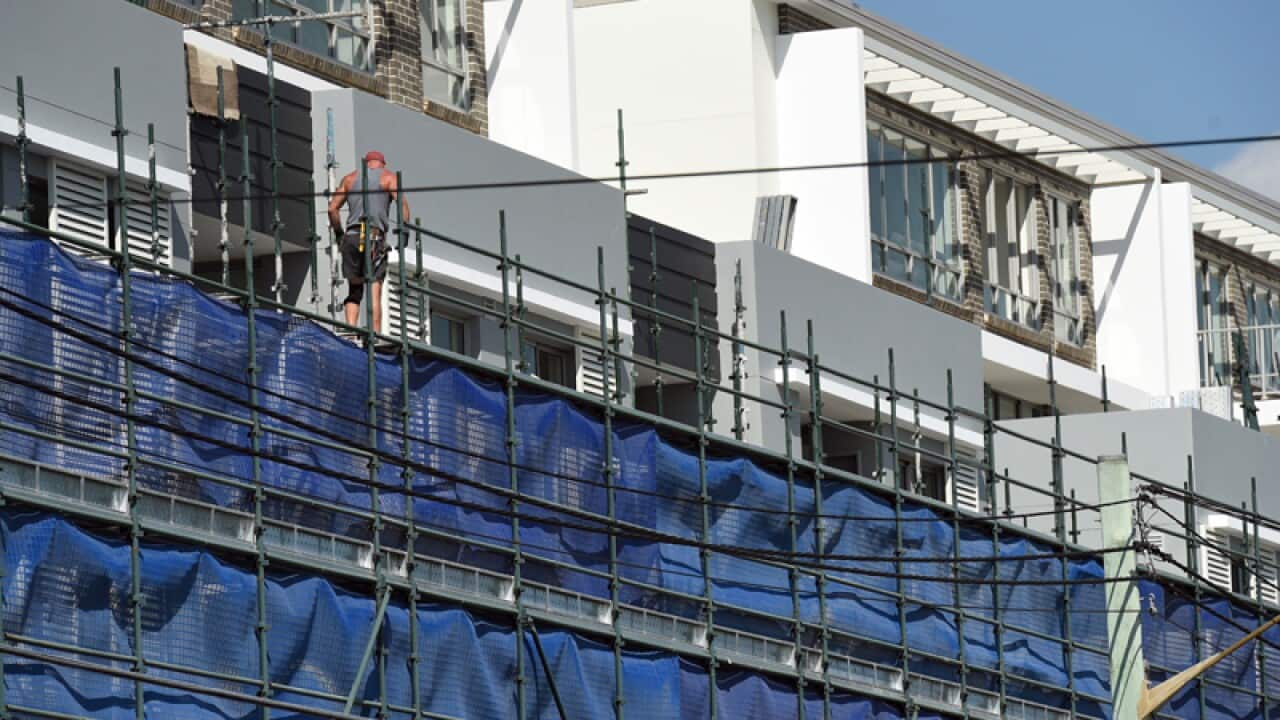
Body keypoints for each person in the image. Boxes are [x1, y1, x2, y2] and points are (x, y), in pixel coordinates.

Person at [327, 150, 409, 334]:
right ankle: (376, 335)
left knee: (355, 289)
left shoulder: (349, 179)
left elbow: (332, 208)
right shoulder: (388, 177)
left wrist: (339, 233)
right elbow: (402, 204)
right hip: (373, 237)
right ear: (382, 163)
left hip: (351, 237)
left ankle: (350, 330)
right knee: (374, 288)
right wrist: (404, 232)